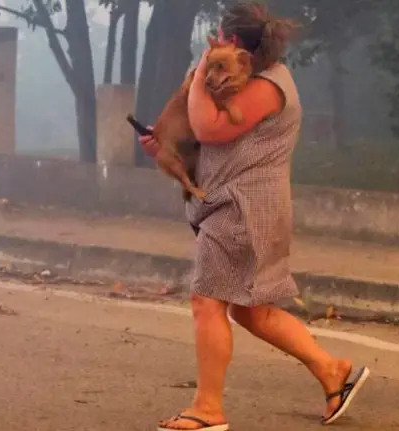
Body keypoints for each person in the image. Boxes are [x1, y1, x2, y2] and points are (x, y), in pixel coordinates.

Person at [139, 3, 370, 430]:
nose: (213, 60)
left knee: (207, 300)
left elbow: (210, 128)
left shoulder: (269, 85)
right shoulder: (249, 82)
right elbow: (208, 139)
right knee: (252, 311)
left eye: (219, 46)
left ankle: (207, 409)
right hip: (241, 207)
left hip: (243, 210)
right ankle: (332, 370)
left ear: (234, 44)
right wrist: (167, 143)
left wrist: (200, 71)